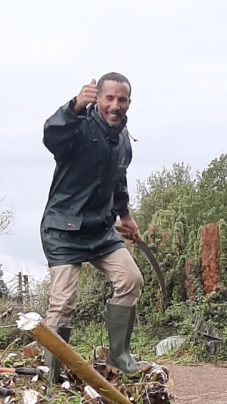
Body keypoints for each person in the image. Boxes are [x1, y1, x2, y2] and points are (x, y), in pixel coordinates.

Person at [40, 72, 147, 381]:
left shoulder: (124, 139)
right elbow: (52, 135)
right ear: (97, 98)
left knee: (131, 280)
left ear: (128, 103)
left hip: (101, 230)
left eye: (121, 99)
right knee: (63, 303)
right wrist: (73, 107)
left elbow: (118, 178)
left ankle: (119, 357)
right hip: (63, 228)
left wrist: (124, 216)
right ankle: (51, 375)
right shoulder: (78, 128)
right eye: (109, 98)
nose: (115, 105)